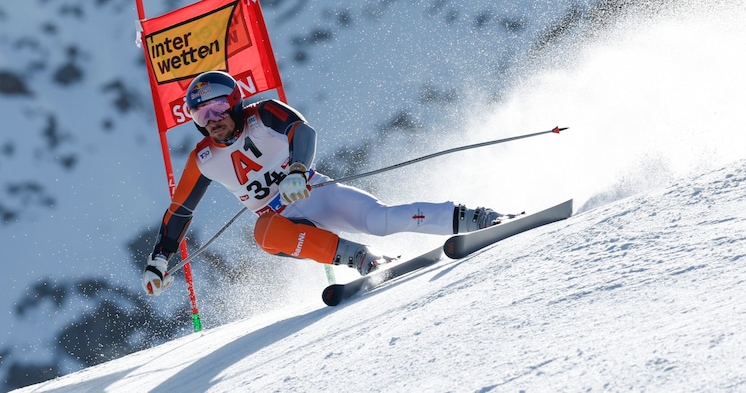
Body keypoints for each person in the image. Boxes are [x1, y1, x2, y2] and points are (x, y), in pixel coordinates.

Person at [142, 70, 510, 296]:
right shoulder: (203, 158)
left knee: (379, 221)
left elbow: (302, 130)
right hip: (283, 219)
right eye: (200, 113)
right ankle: (363, 259)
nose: (212, 119)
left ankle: (478, 218)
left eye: (218, 107)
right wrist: (160, 260)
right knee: (263, 232)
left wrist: (298, 171)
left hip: (314, 191)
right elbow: (180, 211)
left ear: (235, 102)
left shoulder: (263, 114)